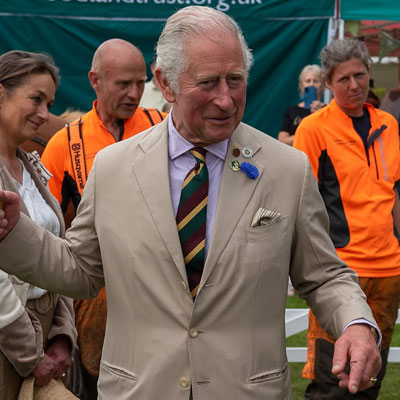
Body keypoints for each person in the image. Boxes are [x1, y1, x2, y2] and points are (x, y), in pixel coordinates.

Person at [0, 8, 382, 400]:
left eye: (235, 80)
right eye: (208, 82)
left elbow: (324, 275)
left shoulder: (286, 169)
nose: (225, 99)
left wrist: (355, 322)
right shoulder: (113, 168)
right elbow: (80, 269)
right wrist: (14, 232)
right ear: (165, 83)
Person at [40, 38, 166, 399]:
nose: (134, 93)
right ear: (95, 80)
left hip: (162, 294)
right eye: (123, 84)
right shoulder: (65, 143)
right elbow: (48, 230)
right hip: (96, 300)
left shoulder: (165, 128)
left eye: (141, 83)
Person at [294, 38, 400, 399]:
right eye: (343, 80)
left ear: (370, 73)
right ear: (328, 83)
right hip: (341, 272)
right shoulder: (313, 128)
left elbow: (394, 191)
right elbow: (301, 201)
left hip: (389, 269)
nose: (354, 86)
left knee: (370, 378)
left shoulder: (388, 123)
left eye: (359, 75)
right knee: (333, 380)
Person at [0, 50, 77, 399]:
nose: (45, 115)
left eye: (48, 102)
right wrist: (29, 353)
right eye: (36, 99)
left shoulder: (32, 167)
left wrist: (62, 334)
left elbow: (55, 254)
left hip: (44, 341)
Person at [278, 64, 324, 146]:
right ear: (302, 85)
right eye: (308, 81)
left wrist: (319, 115)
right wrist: (305, 135)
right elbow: (282, 141)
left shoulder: (327, 110)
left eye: (316, 81)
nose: (311, 84)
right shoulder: (292, 111)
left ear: (322, 85)